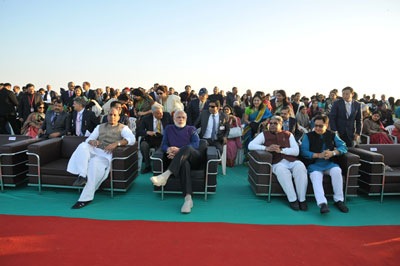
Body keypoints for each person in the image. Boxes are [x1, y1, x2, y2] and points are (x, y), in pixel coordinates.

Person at [67, 107, 136, 209]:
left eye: (114, 115)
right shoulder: (100, 127)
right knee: (83, 146)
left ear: (118, 117)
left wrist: (117, 143)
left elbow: (132, 139)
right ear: (107, 116)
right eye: (110, 115)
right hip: (96, 149)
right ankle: (82, 176)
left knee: (93, 165)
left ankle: (84, 199)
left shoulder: (123, 128)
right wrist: (92, 141)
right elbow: (90, 138)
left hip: (106, 153)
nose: (112, 117)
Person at [249, 115, 308, 211]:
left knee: (300, 167)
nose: (272, 125)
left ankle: (302, 200)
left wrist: (281, 150)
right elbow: (251, 145)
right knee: (282, 172)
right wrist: (265, 148)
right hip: (277, 162)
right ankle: (293, 200)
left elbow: (296, 151)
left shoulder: (288, 134)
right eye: (270, 123)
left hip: (291, 160)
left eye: (275, 123)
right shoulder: (264, 134)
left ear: (281, 125)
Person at [150, 110, 203, 214]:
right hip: (180, 160)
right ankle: (188, 199)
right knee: (184, 164)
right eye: (178, 117)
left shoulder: (191, 129)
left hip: (194, 158)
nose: (181, 119)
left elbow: (196, 144)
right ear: (174, 119)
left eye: (183, 117)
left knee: (187, 148)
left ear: (186, 119)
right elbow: (164, 144)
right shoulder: (169, 128)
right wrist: (169, 149)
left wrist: (179, 150)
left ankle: (166, 175)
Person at [301, 115, 349, 214]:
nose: (317, 128)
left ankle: (339, 200)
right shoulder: (308, 136)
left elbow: (343, 147)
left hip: (330, 163)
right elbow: (304, 152)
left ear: (326, 125)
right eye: (316, 125)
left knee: (337, 171)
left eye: (320, 126)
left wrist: (333, 153)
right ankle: (322, 203)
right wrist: (318, 155)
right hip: (314, 165)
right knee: (315, 176)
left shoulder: (332, 135)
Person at [136, 103, 174, 173]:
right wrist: (147, 132)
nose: (161, 115)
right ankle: (148, 166)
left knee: (160, 148)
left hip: (163, 138)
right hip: (150, 138)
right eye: (158, 113)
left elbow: (173, 127)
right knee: (143, 145)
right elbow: (138, 131)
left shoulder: (167, 115)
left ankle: (160, 166)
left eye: (161, 112)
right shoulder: (146, 119)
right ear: (153, 114)